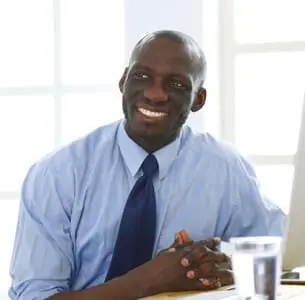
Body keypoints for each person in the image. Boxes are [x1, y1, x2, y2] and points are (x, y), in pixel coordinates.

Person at [9, 30, 286, 300]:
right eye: (141, 76)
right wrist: (149, 280)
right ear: (123, 81)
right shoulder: (57, 174)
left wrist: (226, 267)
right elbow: (35, 297)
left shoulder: (225, 169)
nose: (155, 94)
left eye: (176, 84)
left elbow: (282, 251)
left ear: (198, 100)